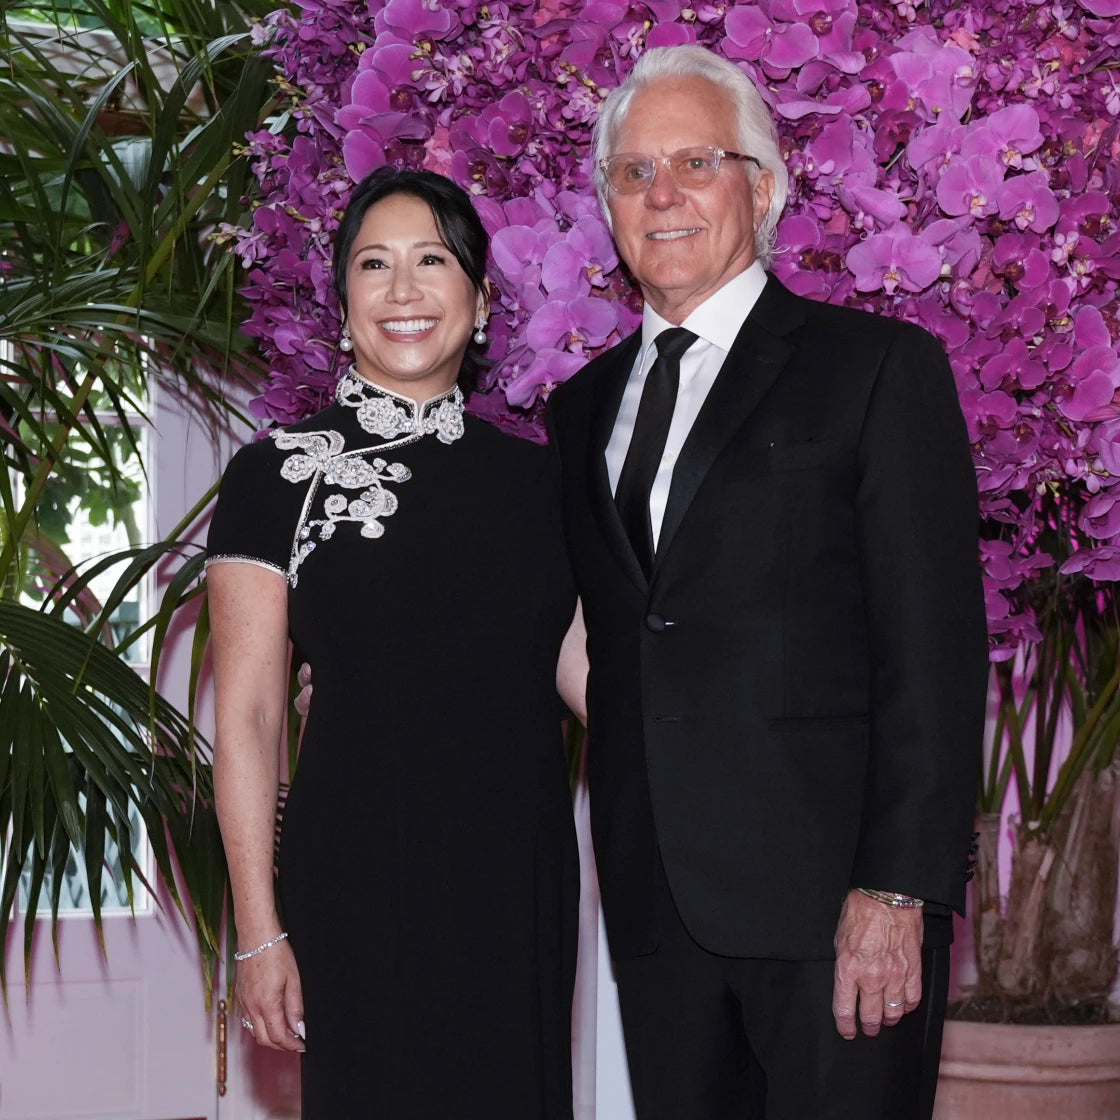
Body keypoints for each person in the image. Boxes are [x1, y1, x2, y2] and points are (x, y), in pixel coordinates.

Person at [546, 45, 988, 1120]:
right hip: (656, 903)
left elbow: (934, 648)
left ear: (765, 183)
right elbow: (605, 638)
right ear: (607, 204)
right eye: (633, 173)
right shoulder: (578, 410)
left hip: (834, 906)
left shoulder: (877, 369)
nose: (662, 195)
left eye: (695, 162)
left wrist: (896, 889)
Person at [207, 167, 586, 1119]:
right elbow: (249, 717)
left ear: (482, 298)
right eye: (374, 265)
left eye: (432, 261)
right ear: (342, 302)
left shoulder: (548, 485)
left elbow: (592, 674)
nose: (404, 290)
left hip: (518, 884)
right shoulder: (273, 478)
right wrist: (258, 931)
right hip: (357, 882)